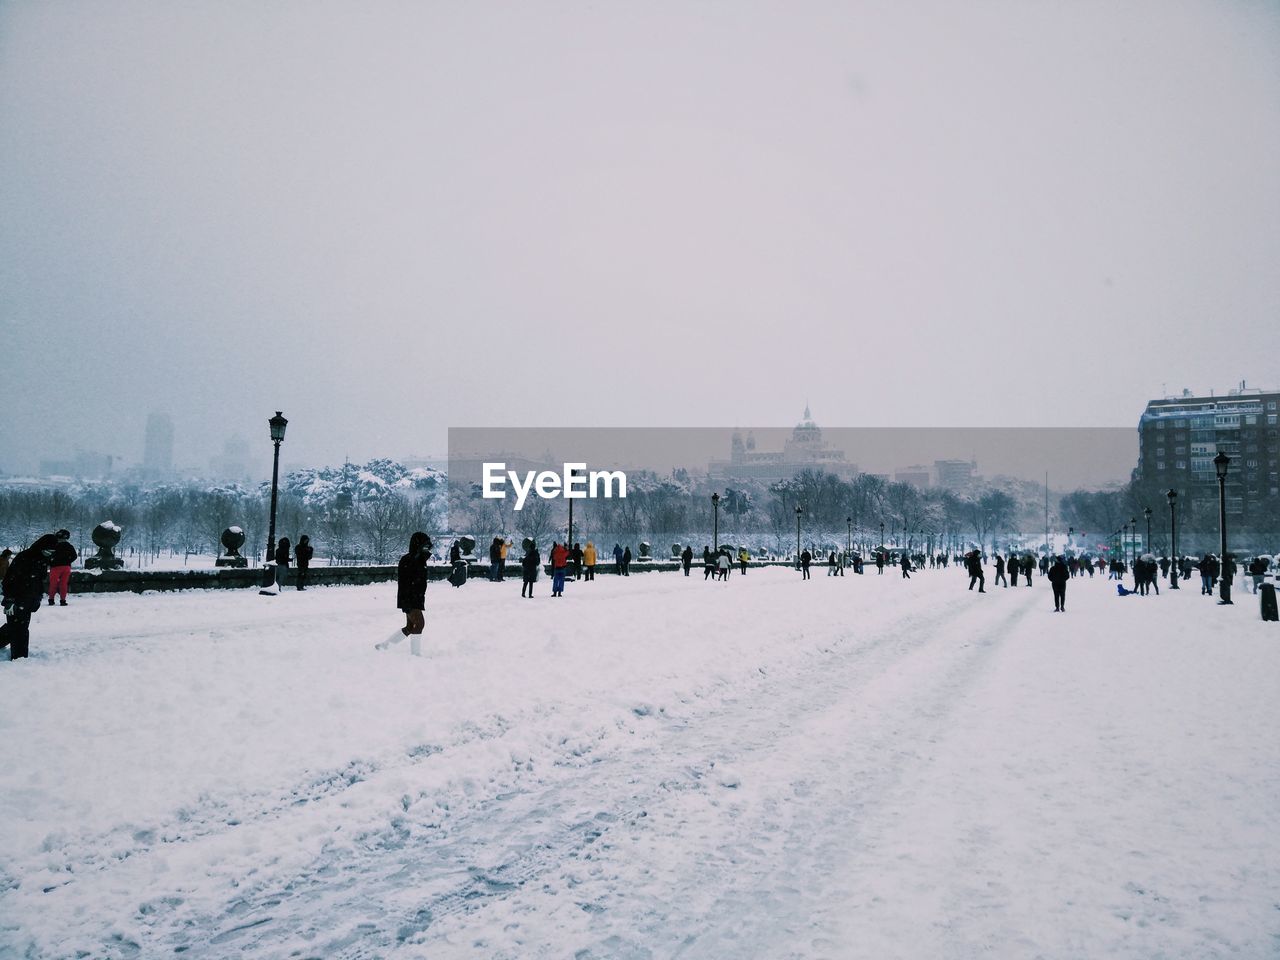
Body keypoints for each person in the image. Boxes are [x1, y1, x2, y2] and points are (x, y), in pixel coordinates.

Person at [3, 535, 58, 660]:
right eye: (48, 551)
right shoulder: (24, 557)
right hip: (16, 598)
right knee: (18, 630)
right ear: (41, 547)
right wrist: (9, 600)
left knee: (18, 627)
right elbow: (9, 579)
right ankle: (20, 658)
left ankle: (19, 655)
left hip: (28, 600)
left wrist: (38, 597)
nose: (49, 554)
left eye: (52, 552)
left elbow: (38, 581)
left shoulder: (43, 559)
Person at [378, 531, 431, 654]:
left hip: (416, 598)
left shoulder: (420, 559)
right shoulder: (408, 560)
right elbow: (404, 582)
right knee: (419, 624)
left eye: (428, 546)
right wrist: (406, 602)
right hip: (410, 598)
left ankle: (385, 646)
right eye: (424, 545)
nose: (427, 548)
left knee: (410, 627)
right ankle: (415, 654)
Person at [47, 528, 77, 606]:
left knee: (53, 583)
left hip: (55, 567)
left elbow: (48, 555)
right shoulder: (69, 546)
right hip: (66, 567)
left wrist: (51, 562)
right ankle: (63, 601)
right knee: (63, 584)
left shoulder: (54, 545)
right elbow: (74, 556)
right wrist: (68, 561)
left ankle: (51, 599)